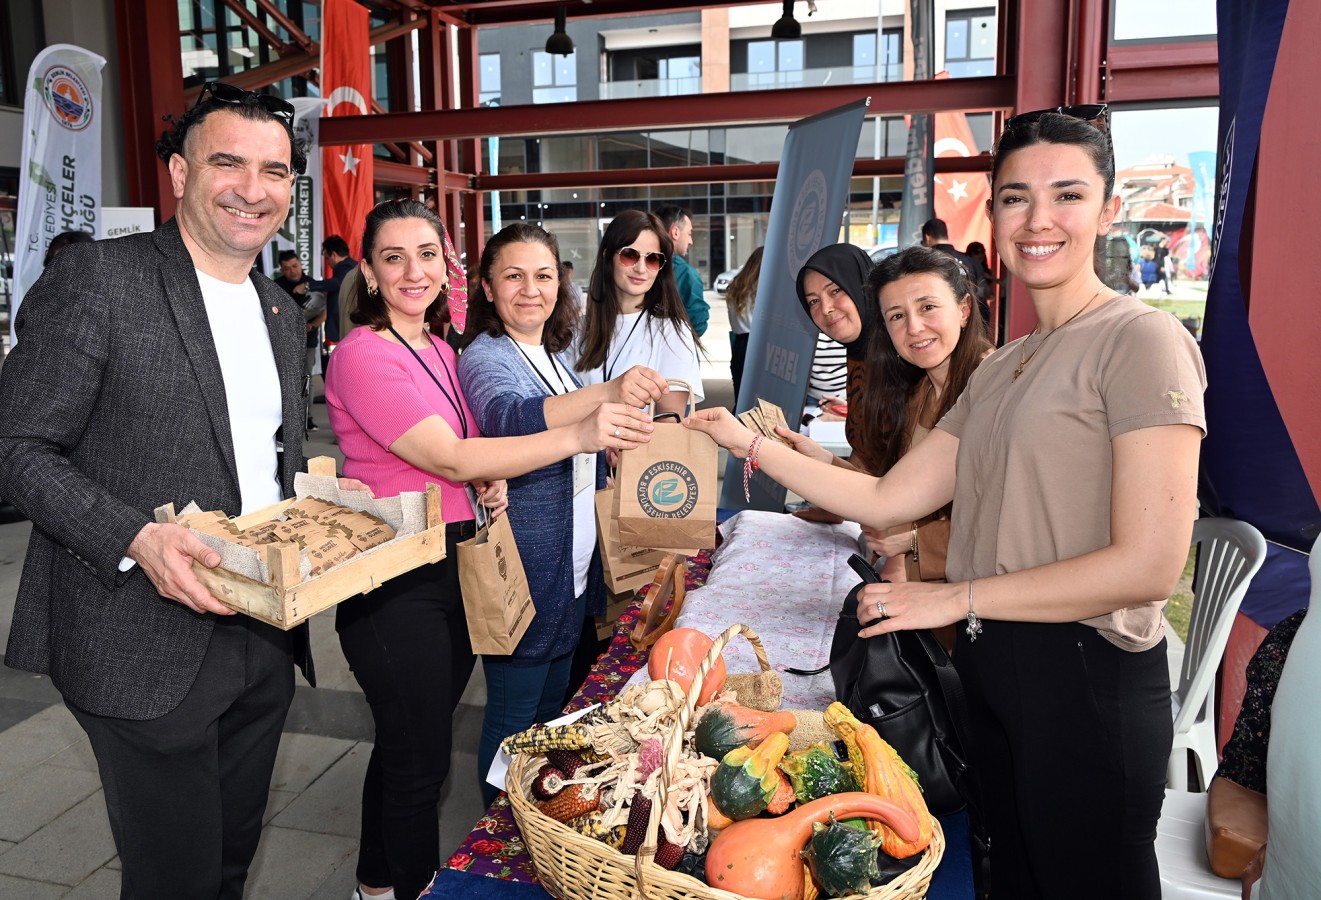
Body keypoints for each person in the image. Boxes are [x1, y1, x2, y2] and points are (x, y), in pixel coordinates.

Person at [688, 107, 1206, 898]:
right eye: (1013, 198)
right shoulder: (1008, 366)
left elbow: (1147, 566)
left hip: (1083, 678)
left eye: (1065, 195)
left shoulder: (1138, 340)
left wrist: (951, 594)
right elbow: (891, 496)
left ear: (1108, 209)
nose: (1037, 221)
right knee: (1008, 877)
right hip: (995, 664)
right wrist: (747, 443)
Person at [0, 81, 357, 899]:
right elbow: (14, 444)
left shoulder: (276, 308)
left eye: (274, 171)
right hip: (137, 639)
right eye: (226, 161)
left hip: (263, 631)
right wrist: (134, 537)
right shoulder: (101, 279)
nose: (252, 188)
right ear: (177, 173)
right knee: (176, 880)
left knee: (228, 864)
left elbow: (258, 459)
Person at [325, 200, 656, 900]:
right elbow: (446, 455)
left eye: (425, 255)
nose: (413, 272)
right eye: (394, 257)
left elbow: (467, 458)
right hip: (394, 580)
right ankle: (416, 888)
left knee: (405, 748)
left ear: (445, 266)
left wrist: (486, 484)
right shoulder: (363, 355)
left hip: (450, 562)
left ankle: (374, 883)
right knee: (418, 765)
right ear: (369, 273)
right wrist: (574, 436)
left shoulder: (437, 349)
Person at [458, 222, 670, 806]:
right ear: (488, 286)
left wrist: (605, 441)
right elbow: (508, 416)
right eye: (514, 276)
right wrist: (602, 400)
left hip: (568, 567)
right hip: (522, 568)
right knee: (513, 717)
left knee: (550, 714)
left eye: (544, 276)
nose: (531, 290)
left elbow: (571, 433)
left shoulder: (552, 353)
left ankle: (535, 818)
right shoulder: (486, 355)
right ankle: (496, 835)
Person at [575, 209, 703, 417]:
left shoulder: (672, 331)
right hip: (577, 446)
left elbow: (670, 421)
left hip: (637, 448)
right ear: (608, 256)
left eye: (652, 259)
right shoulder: (578, 329)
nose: (641, 269)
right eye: (629, 255)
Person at [794, 242, 882, 473]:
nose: (825, 309)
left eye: (835, 291)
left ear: (863, 287)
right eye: (813, 301)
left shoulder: (904, 357)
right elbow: (866, 463)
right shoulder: (859, 355)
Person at [274, 249, 328, 433]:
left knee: (307, 379)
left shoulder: (312, 284)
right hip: (284, 341)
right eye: (287, 268)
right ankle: (286, 420)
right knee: (285, 380)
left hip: (308, 341)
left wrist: (311, 325)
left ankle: (307, 418)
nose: (292, 271)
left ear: (301, 264)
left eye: (295, 266)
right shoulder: (276, 286)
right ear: (282, 270)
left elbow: (323, 313)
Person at [922, 216, 990, 327]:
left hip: (939, 322)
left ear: (927, 237)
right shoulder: (970, 260)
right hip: (971, 321)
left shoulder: (925, 262)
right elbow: (982, 291)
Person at [655, 204, 709, 337]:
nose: (691, 241)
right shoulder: (686, 273)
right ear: (675, 232)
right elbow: (698, 324)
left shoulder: (640, 266)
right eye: (689, 233)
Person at [725, 245, 762, 399]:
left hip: (739, 344)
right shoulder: (764, 288)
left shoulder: (736, 285)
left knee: (741, 396)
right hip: (759, 344)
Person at [310, 233, 356, 342]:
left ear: (334, 255)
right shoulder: (350, 266)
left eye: (327, 258)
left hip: (348, 326)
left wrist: (309, 285)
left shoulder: (347, 267)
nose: (328, 263)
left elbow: (337, 283)